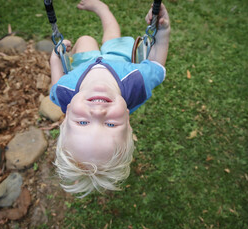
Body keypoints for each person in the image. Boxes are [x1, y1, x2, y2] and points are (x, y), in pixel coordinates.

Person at [49, 0, 170, 197]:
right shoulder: (136, 81)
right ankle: (101, 9)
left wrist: (56, 60)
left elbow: (56, 84)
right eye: (111, 125)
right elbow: (158, 67)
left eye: (82, 121)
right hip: (117, 59)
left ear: (68, 111)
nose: (97, 112)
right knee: (112, 35)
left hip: (83, 64)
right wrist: (162, 32)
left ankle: (87, 38)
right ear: (128, 123)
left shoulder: (64, 94)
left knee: (85, 39)